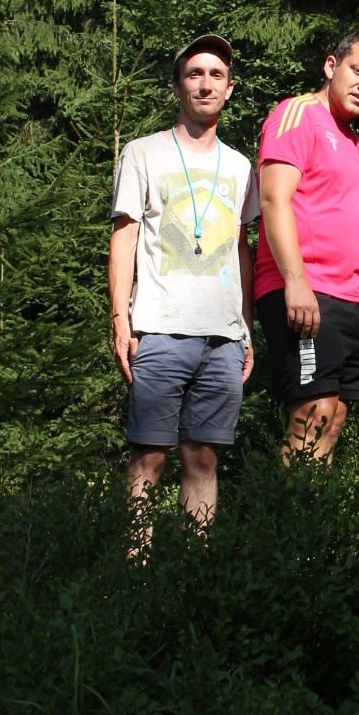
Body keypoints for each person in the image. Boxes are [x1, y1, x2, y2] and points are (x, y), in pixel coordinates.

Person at [109, 34, 260, 534]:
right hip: (158, 329)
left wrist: (247, 330)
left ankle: (192, 580)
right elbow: (125, 237)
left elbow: (242, 248)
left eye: (216, 75)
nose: (205, 83)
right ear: (177, 86)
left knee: (204, 460)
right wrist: (119, 322)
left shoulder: (241, 166)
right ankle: (136, 574)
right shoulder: (143, 152)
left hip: (223, 338)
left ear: (230, 89)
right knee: (150, 457)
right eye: (195, 74)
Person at [254, 28, 359, 462]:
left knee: (331, 418)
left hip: (350, 297)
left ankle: (315, 523)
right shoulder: (297, 114)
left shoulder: (351, 139)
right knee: (310, 416)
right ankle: (285, 525)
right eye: (358, 71)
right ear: (331, 66)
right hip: (306, 290)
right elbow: (273, 197)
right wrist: (296, 282)